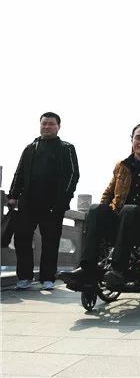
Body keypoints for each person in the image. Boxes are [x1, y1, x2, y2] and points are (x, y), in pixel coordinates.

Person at [59, 123, 140, 290]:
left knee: (129, 210)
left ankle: (118, 270)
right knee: (95, 209)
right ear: (132, 140)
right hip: (120, 220)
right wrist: (99, 217)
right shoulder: (121, 166)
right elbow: (108, 194)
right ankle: (87, 269)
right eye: (138, 138)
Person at [8, 112, 80, 290]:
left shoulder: (66, 148)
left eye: (51, 124)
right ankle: (24, 277)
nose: (47, 127)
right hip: (28, 202)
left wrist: (63, 200)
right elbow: (19, 173)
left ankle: (48, 278)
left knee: (51, 241)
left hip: (53, 204)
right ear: (40, 125)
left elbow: (73, 175)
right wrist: (13, 195)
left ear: (58, 127)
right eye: (44, 123)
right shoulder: (30, 148)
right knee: (22, 239)